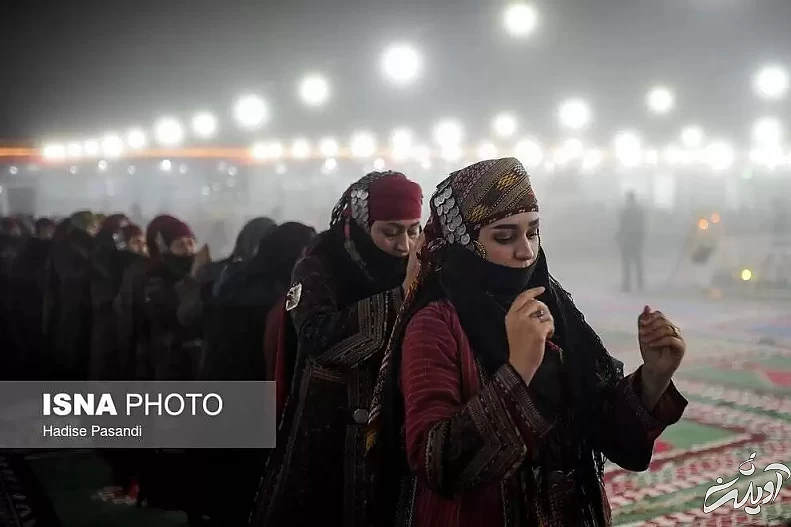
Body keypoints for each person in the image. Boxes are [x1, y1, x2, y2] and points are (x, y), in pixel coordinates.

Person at [366, 158, 688, 526]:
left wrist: (654, 378)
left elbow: (603, 425)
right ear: (464, 244)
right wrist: (518, 371)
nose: (527, 252)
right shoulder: (436, 324)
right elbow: (434, 461)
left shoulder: (552, 304)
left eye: (532, 232)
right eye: (504, 237)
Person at [250, 171, 423, 527]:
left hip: (393, 421)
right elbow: (318, 337)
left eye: (412, 231)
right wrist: (399, 298)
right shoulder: (317, 266)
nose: (403, 245)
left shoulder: (420, 268)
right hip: (327, 426)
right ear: (358, 225)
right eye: (389, 231)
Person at [616, 190, 646, 292]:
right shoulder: (639, 211)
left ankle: (627, 285)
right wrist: (641, 239)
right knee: (637, 262)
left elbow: (622, 226)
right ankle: (640, 284)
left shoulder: (626, 210)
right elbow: (642, 226)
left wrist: (619, 236)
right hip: (636, 240)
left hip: (627, 240)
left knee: (626, 264)